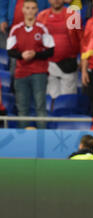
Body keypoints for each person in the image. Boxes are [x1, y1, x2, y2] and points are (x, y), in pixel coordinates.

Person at [6, 0, 55, 129]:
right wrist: (21, 55)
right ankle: (24, 139)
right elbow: (10, 51)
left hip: (39, 73)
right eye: (27, 8)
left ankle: (43, 135)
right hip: (21, 74)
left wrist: (35, 54)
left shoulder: (42, 28)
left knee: (40, 106)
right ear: (23, 9)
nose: (30, 11)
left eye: (33, 8)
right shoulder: (16, 29)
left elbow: (51, 50)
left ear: (36, 10)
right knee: (22, 108)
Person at [37, 0, 82, 100]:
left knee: (68, 99)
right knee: (51, 99)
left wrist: (82, 58)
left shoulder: (73, 15)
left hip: (68, 64)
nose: (56, 0)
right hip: (48, 64)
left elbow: (81, 39)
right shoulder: (41, 16)